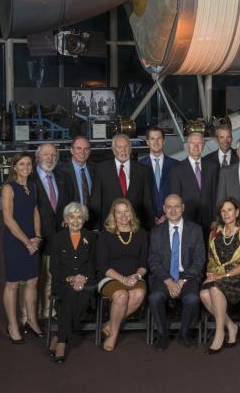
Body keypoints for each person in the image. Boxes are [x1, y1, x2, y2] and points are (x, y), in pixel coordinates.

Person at [148, 194, 206, 352]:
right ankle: (163, 334)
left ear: (183, 208)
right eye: (169, 207)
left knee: (192, 298)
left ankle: (184, 333)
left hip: (187, 276)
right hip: (164, 277)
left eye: (177, 206)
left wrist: (182, 280)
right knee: (155, 298)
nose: (173, 210)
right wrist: (168, 280)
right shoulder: (156, 232)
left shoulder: (195, 230)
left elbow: (199, 260)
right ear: (164, 209)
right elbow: (153, 261)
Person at [199, 198, 240, 354]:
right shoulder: (215, 233)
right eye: (223, 211)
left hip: (238, 275)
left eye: (230, 210)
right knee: (203, 293)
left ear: (237, 212)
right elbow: (210, 258)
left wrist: (223, 275)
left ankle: (219, 333)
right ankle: (231, 326)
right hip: (218, 275)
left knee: (214, 289)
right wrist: (210, 274)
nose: (226, 213)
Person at [96, 198, 148, 352]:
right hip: (110, 277)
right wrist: (123, 279)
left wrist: (136, 276)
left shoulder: (142, 234)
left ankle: (109, 325)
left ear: (132, 214)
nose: (123, 216)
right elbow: (103, 266)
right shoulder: (105, 235)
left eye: (126, 212)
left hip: (135, 276)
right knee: (121, 296)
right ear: (114, 215)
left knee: (138, 294)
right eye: (119, 212)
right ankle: (113, 335)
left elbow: (144, 264)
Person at [2, 152, 43, 344]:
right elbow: (8, 219)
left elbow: (35, 213)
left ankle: (31, 320)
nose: (26, 167)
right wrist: (27, 242)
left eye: (28, 164)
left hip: (31, 240)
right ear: (14, 167)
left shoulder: (33, 187)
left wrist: (37, 237)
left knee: (32, 281)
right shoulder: (8, 188)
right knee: (13, 283)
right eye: (21, 164)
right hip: (15, 240)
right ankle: (12, 324)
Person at [48, 202, 96, 363]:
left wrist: (83, 277)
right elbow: (54, 268)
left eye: (79, 217)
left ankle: (59, 336)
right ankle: (62, 341)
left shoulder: (90, 237)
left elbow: (93, 263)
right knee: (70, 294)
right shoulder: (57, 238)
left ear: (84, 219)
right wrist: (71, 278)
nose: (76, 221)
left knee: (82, 295)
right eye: (72, 217)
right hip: (63, 281)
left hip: (85, 280)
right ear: (66, 220)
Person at [31, 143, 73, 321]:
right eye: (46, 154)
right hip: (34, 235)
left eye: (53, 155)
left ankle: (48, 312)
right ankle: (29, 315)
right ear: (38, 157)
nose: (50, 158)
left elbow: (68, 203)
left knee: (50, 275)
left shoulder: (62, 176)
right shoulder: (29, 178)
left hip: (57, 236)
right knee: (32, 278)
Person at [91, 134, 154, 230]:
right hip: (109, 227)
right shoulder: (101, 170)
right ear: (113, 150)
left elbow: (147, 201)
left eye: (126, 147)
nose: (123, 151)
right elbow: (96, 201)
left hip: (136, 228)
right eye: (119, 147)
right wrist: (95, 228)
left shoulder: (143, 170)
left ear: (131, 148)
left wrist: (150, 227)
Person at [170, 132, 217, 231]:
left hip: (209, 221)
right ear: (187, 145)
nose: (196, 146)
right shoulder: (177, 169)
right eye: (192, 143)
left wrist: (215, 219)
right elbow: (176, 197)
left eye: (199, 143)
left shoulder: (213, 166)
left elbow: (215, 194)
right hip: (187, 220)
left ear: (203, 146)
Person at [140, 126, 176, 225]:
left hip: (171, 218)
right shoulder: (139, 166)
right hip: (146, 221)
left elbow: (178, 192)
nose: (156, 142)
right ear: (147, 142)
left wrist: (167, 215)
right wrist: (150, 216)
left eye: (159, 138)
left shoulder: (176, 166)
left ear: (164, 141)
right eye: (152, 139)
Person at [55, 136, 95, 216]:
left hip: (93, 219)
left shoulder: (95, 169)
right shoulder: (60, 172)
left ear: (89, 151)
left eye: (86, 149)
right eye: (79, 148)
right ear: (72, 150)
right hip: (71, 220)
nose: (82, 152)